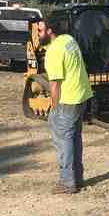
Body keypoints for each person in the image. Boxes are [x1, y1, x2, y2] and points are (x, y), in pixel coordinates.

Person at [36, 18, 93, 194]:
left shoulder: (54, 51)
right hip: (82, 95)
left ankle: (67, 182)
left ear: (50, 31)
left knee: (63, 140)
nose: (38, 34)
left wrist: (54, 108)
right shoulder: (69, 40)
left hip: (67, 99)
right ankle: (77, 178)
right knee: (74, 138)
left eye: (41, 30)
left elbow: (55, 84)